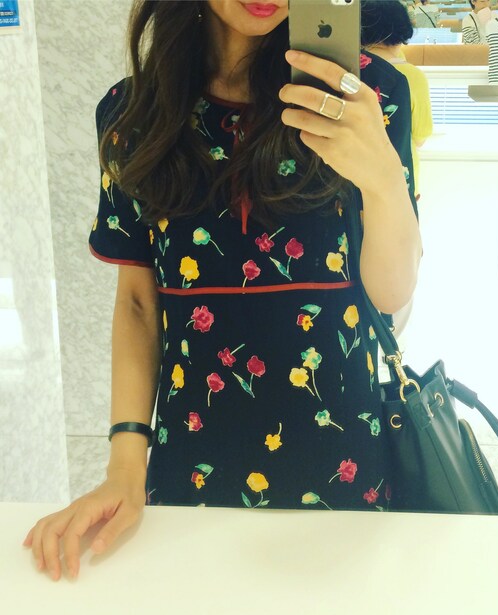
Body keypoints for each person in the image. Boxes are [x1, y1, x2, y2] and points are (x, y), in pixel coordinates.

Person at [22, 0, 421, 582]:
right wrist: (124, 466)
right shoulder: (135, 112)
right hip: (191, 457)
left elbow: (390, 294)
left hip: (340, 458)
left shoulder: (370, 92)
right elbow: (138, 302)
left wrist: (383, 180)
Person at [361, 0, 433, 200]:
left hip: (353, 179)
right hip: (399, 178)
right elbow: (420, 137)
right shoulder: (412, 76)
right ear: (403, 31)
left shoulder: (349, 69)